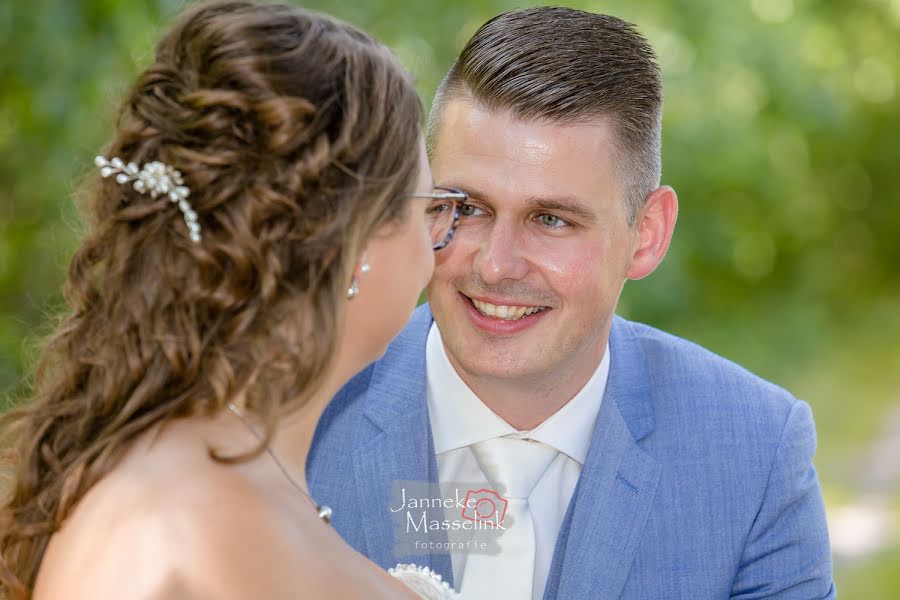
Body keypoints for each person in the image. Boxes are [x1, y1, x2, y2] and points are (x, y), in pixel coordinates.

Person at [308, 6, 836, 600]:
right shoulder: (302, 418)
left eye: (551, 219)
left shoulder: (756, 453)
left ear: (647, 235)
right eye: (467, 206)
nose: (494, 265)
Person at [0, 1, 462, 598]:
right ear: (355, 242)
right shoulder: (166, 518)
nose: (435, 253)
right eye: (427, 209)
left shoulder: (233, 480)